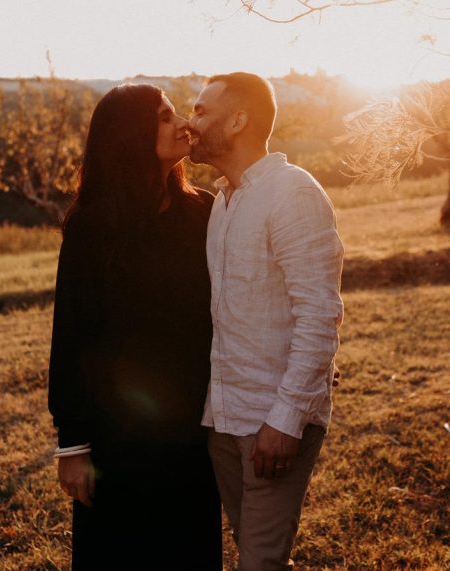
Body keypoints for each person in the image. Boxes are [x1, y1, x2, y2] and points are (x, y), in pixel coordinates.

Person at [47, 83, 222, 570]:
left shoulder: (204, 213)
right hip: (115, 438)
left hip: (192, 431)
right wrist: (73, 445)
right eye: (165, 118)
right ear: (131, 136)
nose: (182, 123)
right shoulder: (92, 226)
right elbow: (72, 336)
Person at [187, 72, 345, 571]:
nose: (190, 123)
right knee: (255, 552)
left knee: (258, 563)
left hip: (273, 421)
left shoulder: (292, 193)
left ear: (238, 120)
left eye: (200, 111)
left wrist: (286, 419)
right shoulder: (223, 202)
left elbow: (320, 314)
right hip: (224, 417)